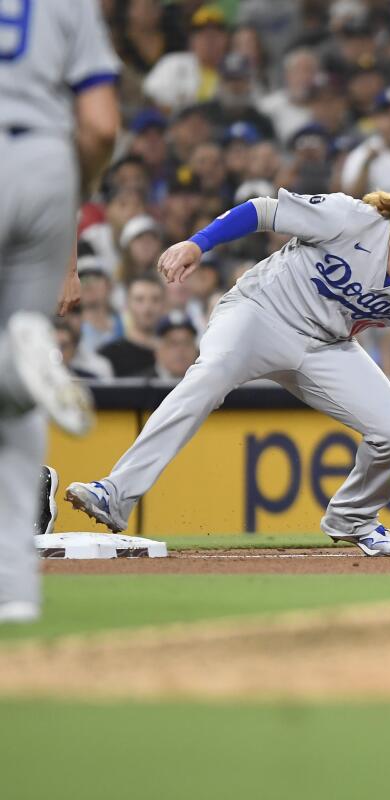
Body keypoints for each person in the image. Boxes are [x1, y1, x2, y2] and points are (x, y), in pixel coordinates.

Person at [65, 163, 390, 557]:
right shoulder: (352, 217)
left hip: (326, 345)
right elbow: (262, 210)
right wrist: (198, 244)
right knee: (208, 377)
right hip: (261, 312)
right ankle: (116, 491)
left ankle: (353, 517)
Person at [0, 0, 120, 624]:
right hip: (47, 163)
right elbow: (99, 126)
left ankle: (17, 356)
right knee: (12, 406)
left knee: (9, 378)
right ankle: (15, 590)